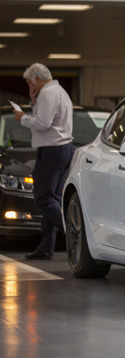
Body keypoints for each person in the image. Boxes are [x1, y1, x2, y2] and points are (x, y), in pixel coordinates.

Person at [13, 63, 74, 260]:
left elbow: (42, 123)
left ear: (37, 79)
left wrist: (22, 118)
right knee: (53, 198)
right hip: (63, 149)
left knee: (43, 197)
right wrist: (33, 102)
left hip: (52, 150)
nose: (31, 87)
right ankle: (46, 246)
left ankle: (74, 233)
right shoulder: (59, 92)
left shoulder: (48, 93)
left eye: (31, 83)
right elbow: (47, 118)